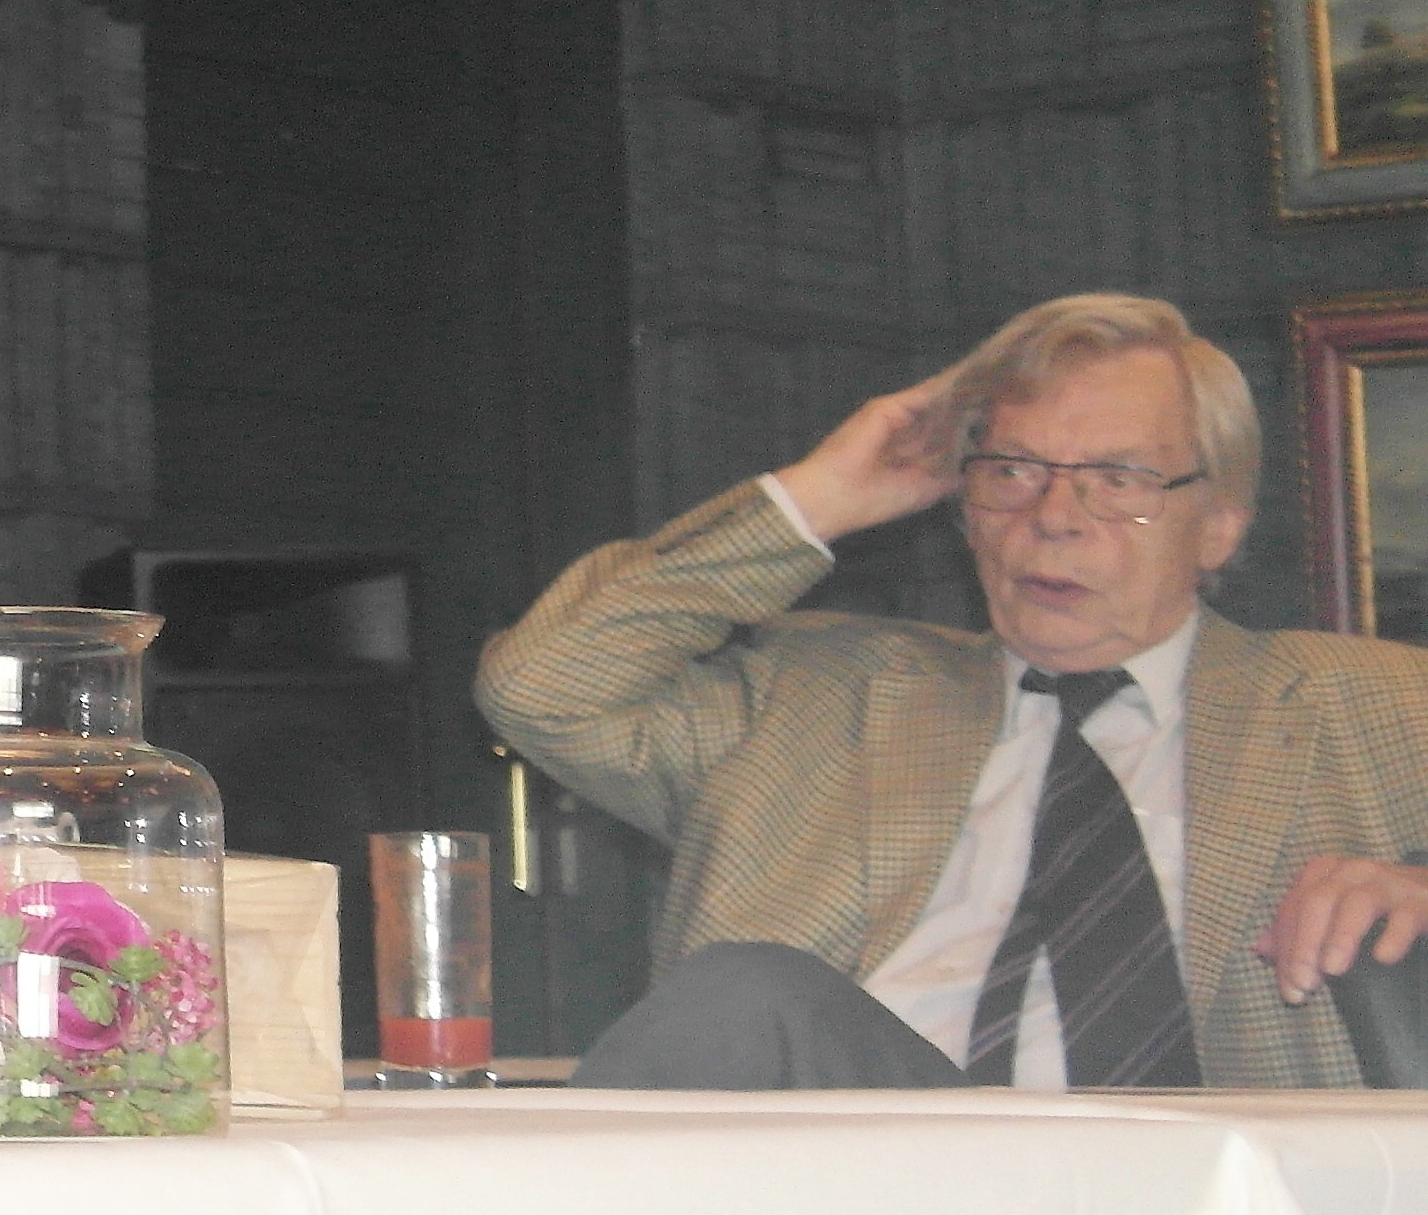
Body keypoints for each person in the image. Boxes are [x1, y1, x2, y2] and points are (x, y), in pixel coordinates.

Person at [480, 291, 1428, 1088]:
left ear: (1217, 525)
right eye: (1011, 472)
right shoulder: (811, 700)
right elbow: (541, 686)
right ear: (962, 508)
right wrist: (818, 497)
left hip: (1218, 1199)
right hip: (861, 1185)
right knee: (750, 996)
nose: (1053, 517)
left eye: (1116, 479)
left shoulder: (1382, 707)